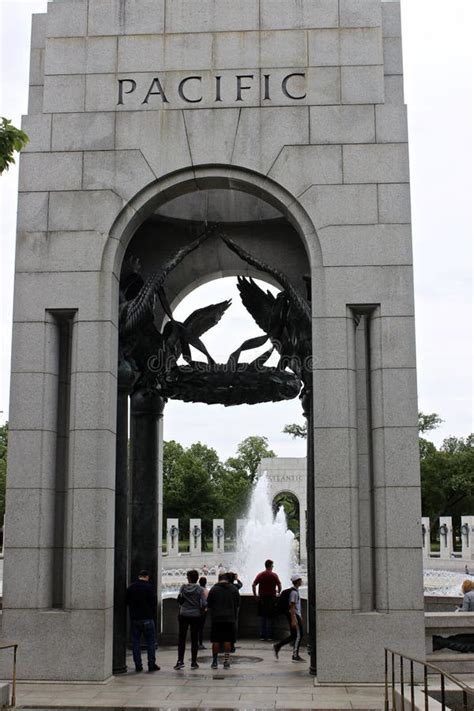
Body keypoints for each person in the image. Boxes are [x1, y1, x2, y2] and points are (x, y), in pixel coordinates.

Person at [126, 570, 160, 673]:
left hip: (135, 619)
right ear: (147, 577)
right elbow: (154, 602)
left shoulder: (131, 587)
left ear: (139, 576)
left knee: (136, 643)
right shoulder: (149, 587)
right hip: (147, 618)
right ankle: (151, 664)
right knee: (151, 642)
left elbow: (127, 601)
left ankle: (138, 665)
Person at [174, 569, 207, 670]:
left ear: (188, 578)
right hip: (195, 615)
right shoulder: (200, 589)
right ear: (197, 579)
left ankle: (180, 661)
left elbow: (180, 600)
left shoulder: (183, 588)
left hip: (183, 614)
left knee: (182, 638)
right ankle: (193, 662)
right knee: (194, 638)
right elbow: (204, 603)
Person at [207, 572, 240, 669]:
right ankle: (226, 661)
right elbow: (238, 603)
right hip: (229, 618)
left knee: (216, 640)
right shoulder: (233, 589)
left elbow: (209, 604)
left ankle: (214, 661)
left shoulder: (214, 589)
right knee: (227, 640)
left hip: (216, 618)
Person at [273, 574, 305, 662]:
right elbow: (292, 606)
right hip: (294, 616)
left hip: (295, 616)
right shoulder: (294, 592)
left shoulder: (294, 591)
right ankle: (295, 656)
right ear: (298, 581)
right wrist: (294, 619)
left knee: (294, 635)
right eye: (300, 580)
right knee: (299, 635)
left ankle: (278, 646)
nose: (301, 581)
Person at [252, 559, 282, 640]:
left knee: (263, 617)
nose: (273, 567)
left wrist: (255, 595)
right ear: (271, 566)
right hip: (271, 599)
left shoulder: (260, 575)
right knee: (270, 617)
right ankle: (270, 636)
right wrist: (278, 592)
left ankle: (262, 635)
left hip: (262, 599)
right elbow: (279, 585)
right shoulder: (274, 575)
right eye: (272, 565)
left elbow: (254, 584)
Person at [198, 576, 209, 649]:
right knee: (201, 628)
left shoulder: (197, 589)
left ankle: (195, 643)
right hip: (203, 611)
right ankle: (200, 643)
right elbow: (207, 602)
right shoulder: (206, 591)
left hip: (195, 611)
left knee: (196, 628)